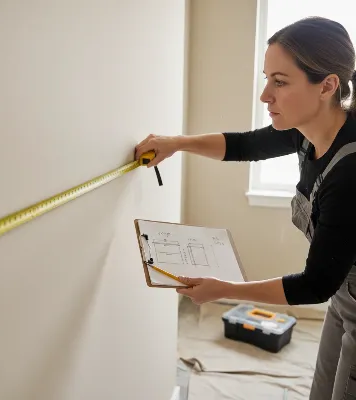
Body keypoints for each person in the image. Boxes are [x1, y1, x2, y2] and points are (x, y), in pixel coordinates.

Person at [135, 16, 356, 400]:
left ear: (328, 85)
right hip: (344, 295)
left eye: (280, 82)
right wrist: (177, 143)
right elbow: (246, 146)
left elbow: (316, 283)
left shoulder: (350, 170)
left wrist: (228, 290)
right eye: (267, 77)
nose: (265, 95)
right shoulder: (305, 131)